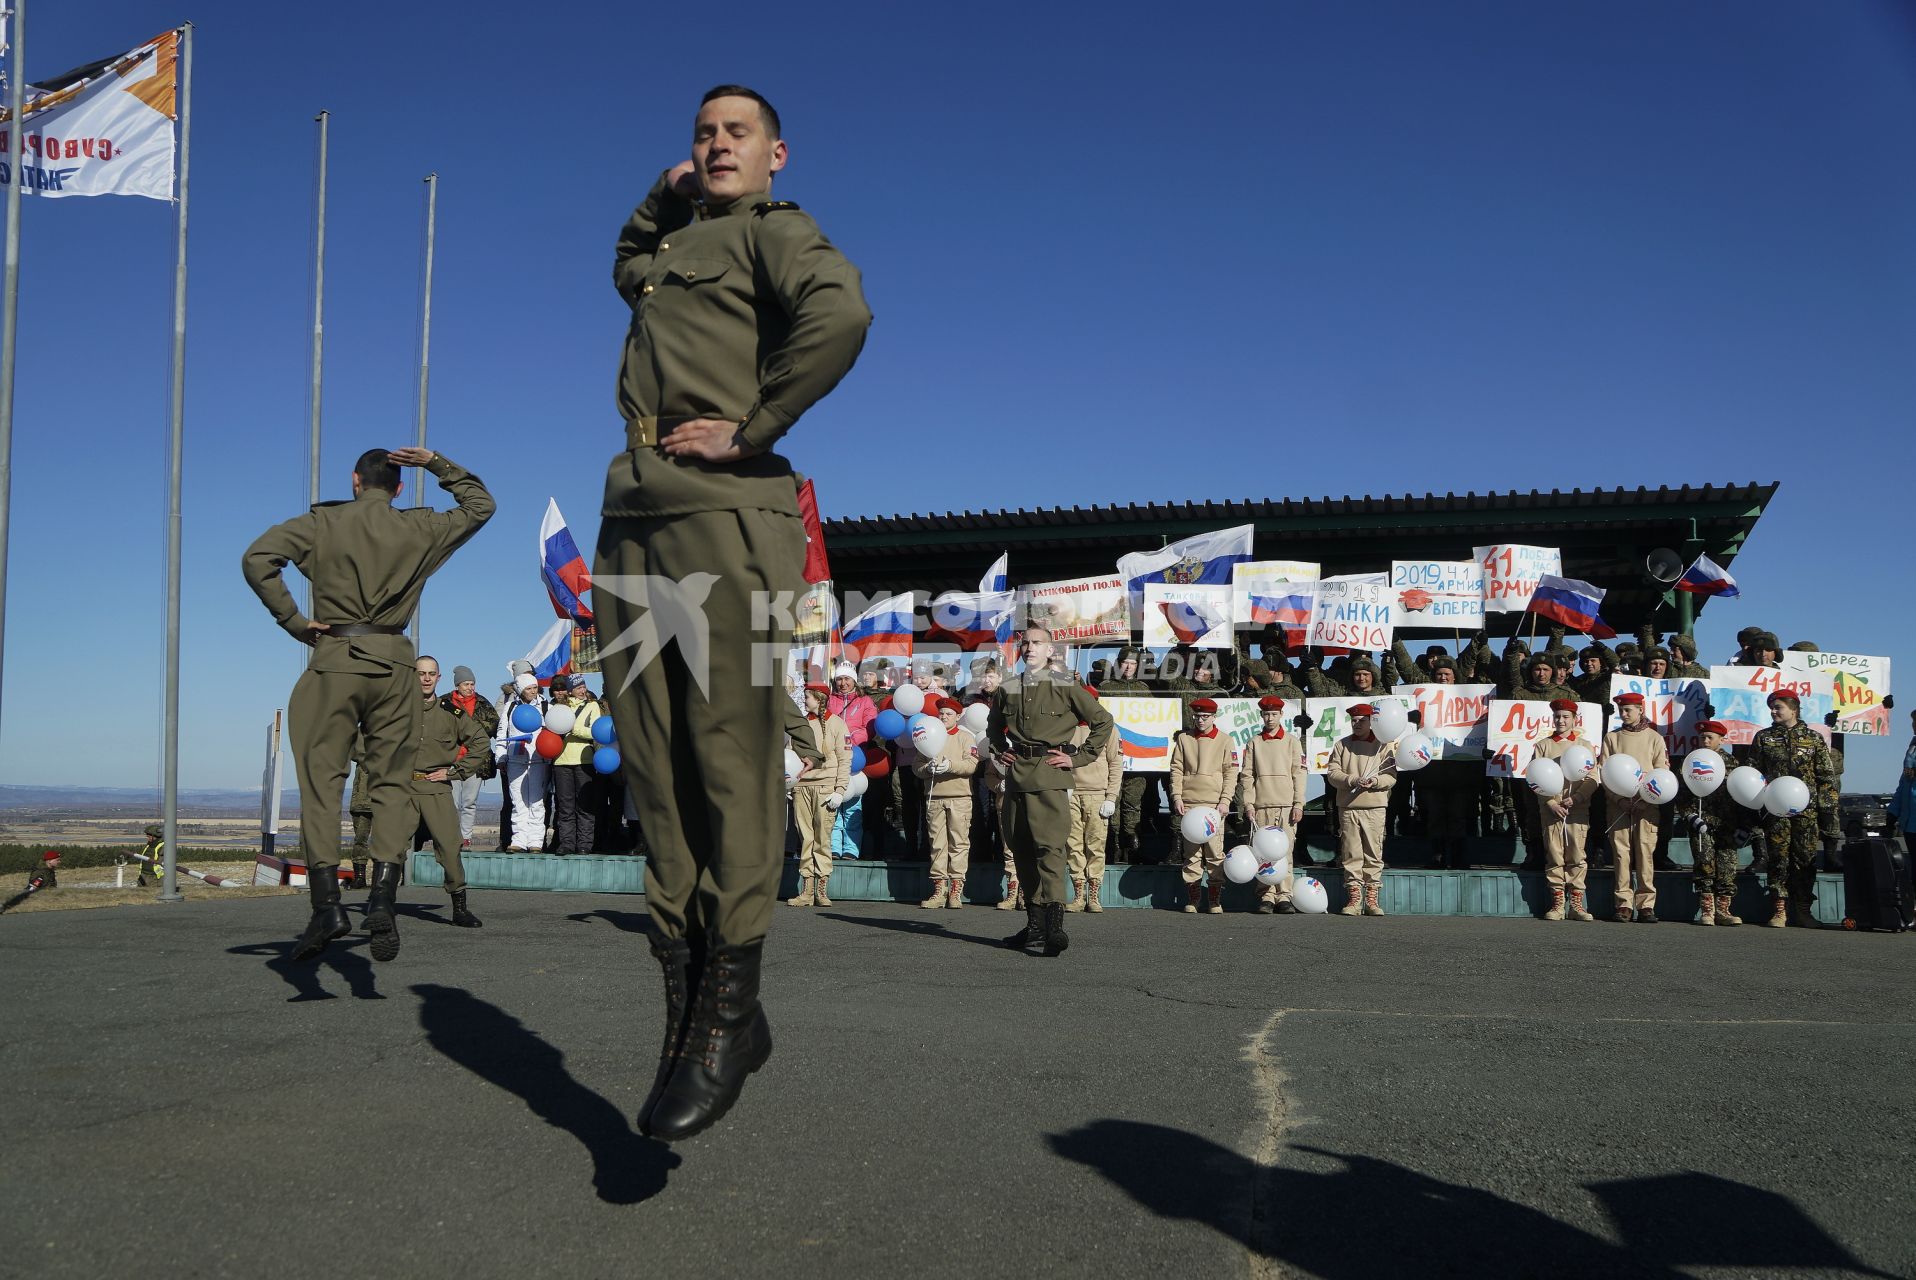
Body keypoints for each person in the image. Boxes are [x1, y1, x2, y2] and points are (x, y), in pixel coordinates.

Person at [243, 445, 493, 963]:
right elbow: (479, 506)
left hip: (334, 658)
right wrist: (437, 464)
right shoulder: (419, 528)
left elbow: (258, 560)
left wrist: (294, 621)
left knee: (322, 784)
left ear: (355, 482)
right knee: (394, 784)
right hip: (397, 664)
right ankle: (381, 896)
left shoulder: (322, 525)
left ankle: (326, 905)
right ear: (399, 488)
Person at [987, 624, 1112, 956]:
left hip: (1050, 777)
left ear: (1049, 650)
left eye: (1037, 643)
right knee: (1021, 850)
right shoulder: (1008, 688)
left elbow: (1103, 721)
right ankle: (1034, 925)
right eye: (1025, 643)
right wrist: (1001, 750)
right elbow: (992, 726)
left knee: (1051, 851)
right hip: (1017, 778)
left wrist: (1080, 758)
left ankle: (1054, 926)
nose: (1029, 647)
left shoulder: (1066, 686)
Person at [405, 656, 491, 928]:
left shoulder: (450, 712)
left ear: (439, 678)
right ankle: (380, 906)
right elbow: (365, 741)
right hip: (401, 789)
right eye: (421, 673)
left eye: (431, 674)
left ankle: (460, 907)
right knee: (388, 847)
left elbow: (480, 741)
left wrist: (454, 772)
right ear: (413, 675)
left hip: (435, 788)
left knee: (450, 846)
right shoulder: (395, 709)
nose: (426, 678)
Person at [1748, 691, 1839, 929]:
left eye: (1778, 707)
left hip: (1806, 812)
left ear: (1793, 709)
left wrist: (1827, 812)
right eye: (1771, 707)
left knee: (1805, 860)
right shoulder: (1764, 738)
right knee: (1778, 858)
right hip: (1774, 811)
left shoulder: (1813, 738)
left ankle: (1802, 910)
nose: (1773, 711)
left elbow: (1826, 778)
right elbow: (1753, 773)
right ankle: (1779, 909)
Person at [1169, 697, 1241, 915]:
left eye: (1205, 716)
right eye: (1197, 716)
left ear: (1214, 717)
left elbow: (1231, 773)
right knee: (1191, 854)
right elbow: (1176, 769)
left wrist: (1225, 800)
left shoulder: (1226, 740)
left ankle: (1214, 900)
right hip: (1190, 803)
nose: (1200, 720)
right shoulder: (1184, 739)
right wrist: (1177, 796)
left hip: (1214, 805)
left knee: (1214, 853)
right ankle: (1193, 899)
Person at [1602, 692, 1668, 923]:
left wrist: (1645, 799)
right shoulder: (1612, 738)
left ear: (1641, 710)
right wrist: (1618, 799)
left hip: (1646, 805)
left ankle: (1646, 904)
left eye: (1628, 709)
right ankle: (1623, 904)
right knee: (1621, 854)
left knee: (1644, 853)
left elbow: (1662, 772)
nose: (1624, 714)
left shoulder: (1654, 738)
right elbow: (1605, 772)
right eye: (1621, 710)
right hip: (1618, 804)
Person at [1531, 700, 1599, 921]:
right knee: (1554, 854)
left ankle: (1577, 903)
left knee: (1578, 855)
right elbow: (1534, 776)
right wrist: (1550, 802)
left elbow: (1592, 777)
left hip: (1577, 809)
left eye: (1566, 717)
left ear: (1575, 719)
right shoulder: (1543, 745)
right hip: (1551, 810)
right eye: (1557, 716)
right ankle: (1557, 902)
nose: (1561, 721)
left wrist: (1577, 797)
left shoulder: (1584, 745)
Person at [1240, 696, 1307, 914]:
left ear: (1281, 715)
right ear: (1261, 715)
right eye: (1266, 714)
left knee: (1285, 851)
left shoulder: (1291, 741)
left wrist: (1299, 803)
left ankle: (1284, 896)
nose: (1270, 718)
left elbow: (1299, 774)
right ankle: (1266, 895)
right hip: (1261, 806)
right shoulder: (1254, 742)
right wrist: (1248, 803)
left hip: (1286, 806)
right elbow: (1247, 776)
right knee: (1263, 853)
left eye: (1274, 714)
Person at [786, 684, 851, 908]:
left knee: (822, 838)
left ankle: (821, 889)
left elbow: (845, 759)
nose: (804, 700)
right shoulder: (801, 724)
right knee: (806, 837)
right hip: (802, 786)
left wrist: (840, 790)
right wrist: (789, 783)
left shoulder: (837, 724)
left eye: (807, 697)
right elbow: (789, 754)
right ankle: (806, 890)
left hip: (826, 787)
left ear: (819, 698)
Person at [1327, 705, 1395, 916]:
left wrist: (1375, 781)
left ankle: (1372, 899)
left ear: (1371, 722)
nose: (1357, 724)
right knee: (1351, 853)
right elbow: (1332, 773)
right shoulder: (1342, 745)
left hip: (1374, 806)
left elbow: (1391, 776)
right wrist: (1351, 779)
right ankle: (1354, 898)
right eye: (1354, 720)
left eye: (1361, 720)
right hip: (1348, 807)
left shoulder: (1384, 745)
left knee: (1373, 853)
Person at [915, 697, 979, 909]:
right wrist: (927, 770)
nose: (943, 716)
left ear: (958, 717)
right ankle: (938, 891)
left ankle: (955, 891)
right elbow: (917, 766)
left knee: (959, 843)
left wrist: (950, 765)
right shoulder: (929, 734)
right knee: (937, 844)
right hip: (935, 797)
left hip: (960, 798)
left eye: (948, 714)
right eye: (941, 713)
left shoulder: (965, 737)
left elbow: (971, 765)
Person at [1098, 647, 1159, 864]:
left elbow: (1155, 719)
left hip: (1138, 758)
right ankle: (1113, 844)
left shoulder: (1144, 689)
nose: (1129, 667)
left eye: (1133, 664)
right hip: (1113, 755)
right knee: (1113, 799)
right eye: (1125, 663)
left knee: (1133, 803)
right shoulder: (1106, 688)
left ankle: (1131, 843)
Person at [1064, 689, 1122, 913]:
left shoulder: (1107, 728)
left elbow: (1116, 764)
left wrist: (1111, 797)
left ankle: (1094, 896)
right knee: (1073, 846)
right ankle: (1079, 895)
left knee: (1096, 846)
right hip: (1070, 793)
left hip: (1097, 794)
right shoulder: (1064, 727)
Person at [1685, 720, 1741, 926]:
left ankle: (1723, 910)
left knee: (1727, 866)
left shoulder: (1732, 763)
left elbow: (1741, 792)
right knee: (1704, 863)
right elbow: (1681, 793)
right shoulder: (1691, 760)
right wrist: (1689, 815)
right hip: (1701, 822)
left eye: (1710, 737)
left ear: (1721, 739)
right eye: (1702, 737)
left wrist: (1742, 823)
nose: (1706, 741)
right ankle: (1707, 909)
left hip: (1727, 822)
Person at [441, 665, 499, 851]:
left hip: (475, 761)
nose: (470, 687)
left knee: (469, 802)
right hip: (449, 760)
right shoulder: (443, 702)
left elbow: (493, 726)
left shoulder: (483, 703)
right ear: (457, 685)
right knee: (450, 802)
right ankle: (449, 836)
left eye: (472, 684)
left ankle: (465, 838)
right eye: (466, 684)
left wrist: (472, 729)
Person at [494, 674, 553, 852]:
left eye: (535, 687)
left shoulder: (545, 706)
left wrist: (549, 757)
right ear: (520, 690)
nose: (533, 692)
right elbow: (502, 734)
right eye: (528, 688)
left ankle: (536, 841)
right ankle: (519, 840)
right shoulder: (510, 707)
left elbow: (552, 733)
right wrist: (501, 757)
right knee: (518, 802)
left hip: (538, 760)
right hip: (515, 760)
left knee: (536, 801)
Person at [550, 674, 604, 856]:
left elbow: (595, 732)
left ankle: (584, 844)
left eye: (584, 686)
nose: (583, 690)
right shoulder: (559, 708)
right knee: (565, 806)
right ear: (570, 690)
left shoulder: (592, 706)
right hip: (561, 761)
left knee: (585, 805)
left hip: (584, 761)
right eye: (578, 687)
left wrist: (573, 728)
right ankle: (566, 844)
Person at [826, 663, 875, 857]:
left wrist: (851, 739)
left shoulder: (865, 701)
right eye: (839, 679)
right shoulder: (829, 700)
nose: (843, 683)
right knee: (833, 803)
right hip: (833, 757)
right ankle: (834, 847)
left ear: (854, 680)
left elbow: (870, 726)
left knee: (853, 804)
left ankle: (851, 849)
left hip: (855, 758)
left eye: (847, 679)